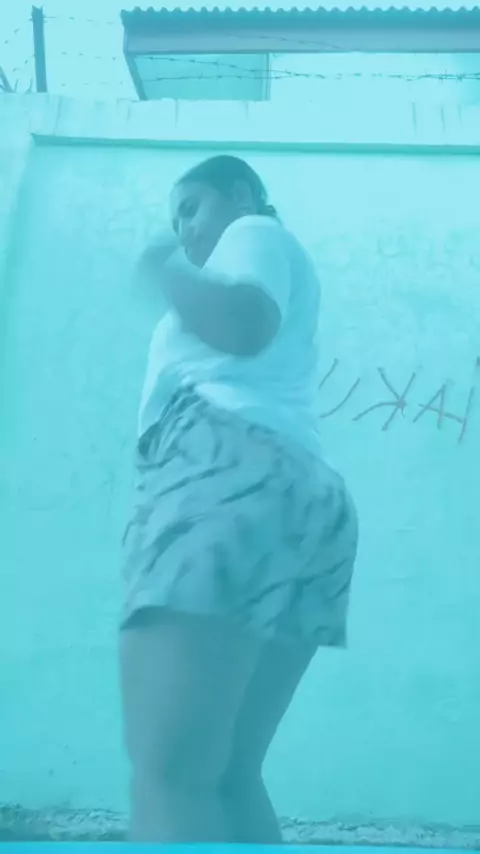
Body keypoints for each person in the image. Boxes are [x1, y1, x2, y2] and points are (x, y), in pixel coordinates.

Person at [119, 154, 358, 843]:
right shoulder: (257, 257)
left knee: (170, 776)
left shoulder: (252, 234)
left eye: (192, 207)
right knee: (228, 773)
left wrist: (165, 268)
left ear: (243, 195)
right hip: (303, 498)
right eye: (175, 221)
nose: (185, 229)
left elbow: (245, 322)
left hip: (222, 470)